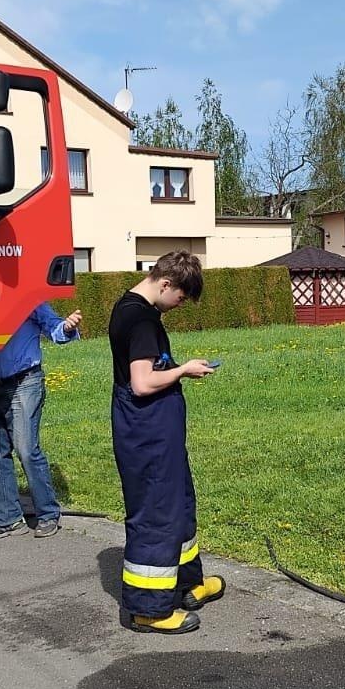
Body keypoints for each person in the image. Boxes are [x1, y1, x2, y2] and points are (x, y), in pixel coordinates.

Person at [108, 251, 225, 634]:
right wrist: (184, 370)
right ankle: (148, 609)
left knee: (179, 504)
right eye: (181, 297)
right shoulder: (140, 319)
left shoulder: (133, 308)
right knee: (157, 511)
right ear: (165, 284)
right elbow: (142, 382)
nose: (181, 306)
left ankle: (188, 584)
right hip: (147, 433)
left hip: (157, 432)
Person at [0, 301, 82, 539]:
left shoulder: (27, 298)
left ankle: (48, 515)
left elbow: (54, 328)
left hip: (24, 382)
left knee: (26, 450)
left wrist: (67, 327)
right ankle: (8, 519)